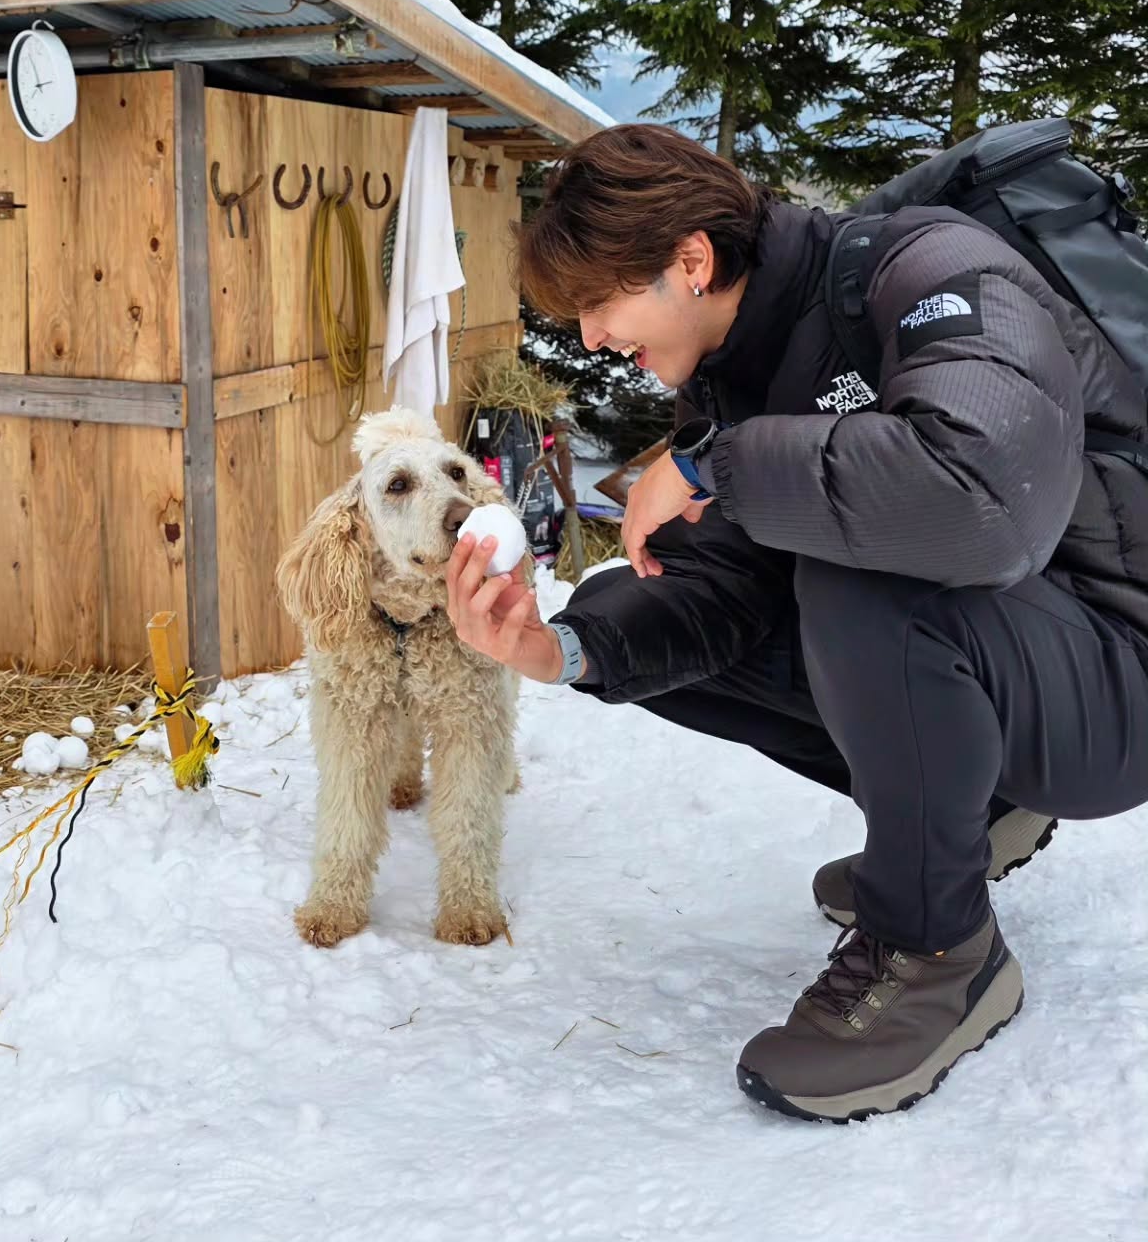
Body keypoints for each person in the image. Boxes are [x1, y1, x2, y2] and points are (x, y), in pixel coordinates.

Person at [445, 124, 1148, 1122]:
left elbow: (986, 496)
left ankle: (938, 950)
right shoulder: (738, 378)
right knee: (711, 570)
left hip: (1122, 671)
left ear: (691, 261)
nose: (593, 336)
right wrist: (556, 644)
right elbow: (724, 596)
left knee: (865, 559)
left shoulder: (929, 267)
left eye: (599, 302)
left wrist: (714, 466)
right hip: (1037, 661)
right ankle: (970, 815)